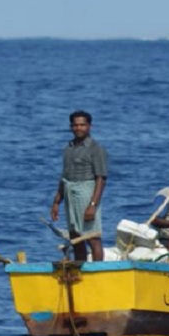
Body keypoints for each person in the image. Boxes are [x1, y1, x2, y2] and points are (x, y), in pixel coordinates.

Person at [50, 110, 108, 261]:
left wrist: (93, 205)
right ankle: (80, 271)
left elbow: (101, 178)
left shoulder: (96, 149)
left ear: (89, 126)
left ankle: (97, 273)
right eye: (75, 125)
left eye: (82, 125)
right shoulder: (68, 148)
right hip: (70, 194)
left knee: (92, 236)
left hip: (87, 193)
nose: (79, 128)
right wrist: (57, 201)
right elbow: (65, 176)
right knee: (75, 236)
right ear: (71, 127)